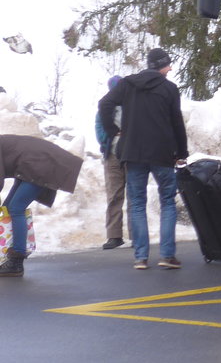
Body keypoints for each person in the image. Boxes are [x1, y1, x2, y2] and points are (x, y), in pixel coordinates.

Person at [98, 47, 189, 270]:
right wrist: (181, 152)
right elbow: (176, 121)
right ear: (163, 65)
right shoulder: (169, 89)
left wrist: (111, 130)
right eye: (168, 64)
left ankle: (141, 257)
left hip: (133, 152)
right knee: (167, 202)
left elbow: (104, 104)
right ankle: (167, 255)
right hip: (161, 152)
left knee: (137, 203)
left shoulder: (128, 84)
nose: (170, 68)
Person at [0, 133, 84, 278]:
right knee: (8, 207)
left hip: (40, 164)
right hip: (31, 164)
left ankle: (16, 261)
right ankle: (8, 252)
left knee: (16, 208)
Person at [94, 75, 126, 249]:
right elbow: (98, 128)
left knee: (137, 195)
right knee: (114, 195)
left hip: (132, 153)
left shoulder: (133, 106)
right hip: (111, 154)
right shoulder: (105, 107)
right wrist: (111, 136)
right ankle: (114, 236)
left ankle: (138, 235)